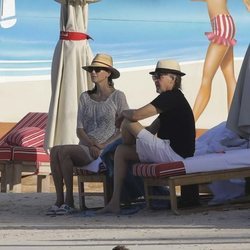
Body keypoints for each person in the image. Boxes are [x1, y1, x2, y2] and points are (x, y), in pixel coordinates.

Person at [98, 59, 198, 214]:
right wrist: (133, 138)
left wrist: (124, 115)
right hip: (169, 151)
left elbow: (137, 115)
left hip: (174, 154)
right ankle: (115, 202)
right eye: (154, 77)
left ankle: (126, 148)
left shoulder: (171, 97)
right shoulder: (171, 101)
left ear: (173, 78)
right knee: (122, 151)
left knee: (128, 122)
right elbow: (151, 130)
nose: (156, 80)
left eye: (159, 76)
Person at [47, 53, 129, 215]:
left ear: (108, 73)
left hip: (107, 149)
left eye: (98, 69)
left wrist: (103, 146)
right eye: (91, 69)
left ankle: (69, 201)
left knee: (63, 151)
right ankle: (59, 200)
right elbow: (79, 129)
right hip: (87, 146)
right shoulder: (85, 97)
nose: (93, 72)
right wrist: (92, 144)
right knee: (55, 149)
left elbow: (123, 129)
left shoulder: (118, 96)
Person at [191, 0, 237, 122]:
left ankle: (189, 123)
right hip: (225, 23)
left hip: (222, 25)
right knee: (230, 77)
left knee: (206, 79)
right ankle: (233, 122)